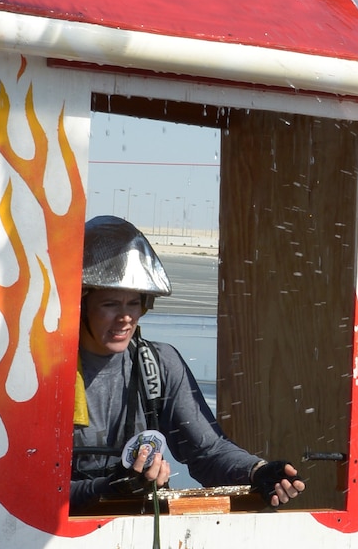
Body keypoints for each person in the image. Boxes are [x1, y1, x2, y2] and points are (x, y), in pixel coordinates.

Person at [70, 216, 304, 511]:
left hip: (137, 534)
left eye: (134, 303)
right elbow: (25, 490)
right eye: (110, 304)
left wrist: (256, 471)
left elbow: (208, 451)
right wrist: (106, 489)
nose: (125, 317)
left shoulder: (157, 365)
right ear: (81, 304)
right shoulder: (47, 373)